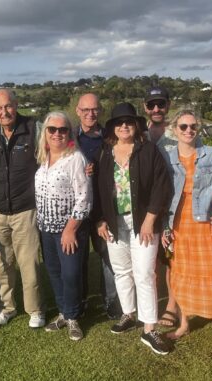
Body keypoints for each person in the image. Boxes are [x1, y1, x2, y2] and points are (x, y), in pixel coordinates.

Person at [142, 86, 212, 328]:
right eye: (151, 105)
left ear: (168, 105)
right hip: (148, 206)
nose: (156, 109)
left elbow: (202, 166)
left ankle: (171, 305)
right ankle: (148, 302)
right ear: (145, 108)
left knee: (172, 259)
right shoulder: (142, 134)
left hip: (173, 206)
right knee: (150, 258)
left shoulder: (182, 129)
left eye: (161, 104)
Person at [93, 103, 172, 355]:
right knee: (121, 271)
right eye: (119, 122)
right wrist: (100, 220)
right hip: (114, 223)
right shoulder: (104, 153)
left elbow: (162, 186)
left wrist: (150, 219)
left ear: (136, 125)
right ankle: (129, 313)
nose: (124, 126)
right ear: (112, 128)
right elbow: (96, 190)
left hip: (143, 223)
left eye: (128, 121)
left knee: (144, 274)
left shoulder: (148, 150)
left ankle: (149, 329)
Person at [162, 109, 212, 353]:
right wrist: (164, 227)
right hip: (178, 228)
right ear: (175, 129)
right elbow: (161, 195)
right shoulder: (167, 157)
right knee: (181, 277)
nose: (188, 131)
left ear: (198, 128)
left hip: (205, 226)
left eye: (193, 126)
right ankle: (184, 324)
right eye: (183, 126)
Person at [0, 89, 45, 328]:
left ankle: (34, 310)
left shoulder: (34, 129)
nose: (4, 112)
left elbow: (49, 161)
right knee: (1, 265)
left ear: (16, 106)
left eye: (8, 106)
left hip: (26, 209)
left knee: (29, 264)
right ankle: (6, 307)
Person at [35, 111, 92, 341]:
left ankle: (73, 317)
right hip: (45, 229)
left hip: (68, 229)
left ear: (69, 132)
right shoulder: (43, 158)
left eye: (63, 129)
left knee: (71, 274)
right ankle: (63, 313)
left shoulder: (75, 158)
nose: (57, 134)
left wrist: (70, 229)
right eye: (52, 129)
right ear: (45, 133)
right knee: (55, 273)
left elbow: (85, 197)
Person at [75, 93, 122, 320]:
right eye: (85, 110)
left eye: (94, 110)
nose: (90, 114)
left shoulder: (110, 138)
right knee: (79, 258)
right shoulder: (68, 138)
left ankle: (111, 301)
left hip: (103, 208)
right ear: (78, 111)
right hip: (78, 209)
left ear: (100, 111)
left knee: (107, 256)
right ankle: (81, 301)